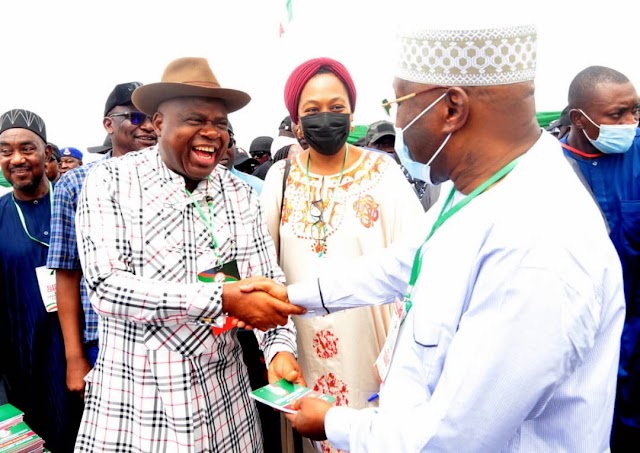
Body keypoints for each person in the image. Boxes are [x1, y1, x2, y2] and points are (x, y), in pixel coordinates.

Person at [251, 20, 625, 452]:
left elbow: (455, 437)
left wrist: (335, 423)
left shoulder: (540, 244)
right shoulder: (470, 189)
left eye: (399, 101)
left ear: (451, 109)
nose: (396, 120)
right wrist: (288, 295)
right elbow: (401, 264)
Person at [74, 56, 306, 452]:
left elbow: (269, 281)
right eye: (196, 120)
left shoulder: (239, 195)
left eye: (220, 124)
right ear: (160, 123)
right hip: (137, 401)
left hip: (224, 404)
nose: (211, 133)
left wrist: (279, 349)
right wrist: (219, 299)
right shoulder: (110, 181)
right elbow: (106, 287)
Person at [260, 56, 424, 453]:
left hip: (372, 339)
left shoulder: (383, 173)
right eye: (312, 111)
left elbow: (418, 259)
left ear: (352, 115)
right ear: (296, 122)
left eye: (337, 108)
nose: (325, 119)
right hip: (301, 339)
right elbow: (263, 265)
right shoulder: (280, 177)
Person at [46, 82, 158, 401]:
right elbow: (66, 274)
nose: (148, 126)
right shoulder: (75, 185)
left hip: (168, 336)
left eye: (154, 117)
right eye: (135, 118)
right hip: (105, 340)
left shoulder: (178, 179)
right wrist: (74, 357)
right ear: (108, 124)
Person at [560, 65, 640, 451]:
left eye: (634, 111)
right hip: (579, 338)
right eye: (617, 115)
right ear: (579, 118)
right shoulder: (550, 172)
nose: (630, 122)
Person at [0, 108, 81, 452]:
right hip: (21, 363)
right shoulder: (1, 213)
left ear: (47, 153)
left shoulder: (78, 204)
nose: (17, 158)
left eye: (27, 148)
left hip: (79, 356)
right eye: (5, 151)